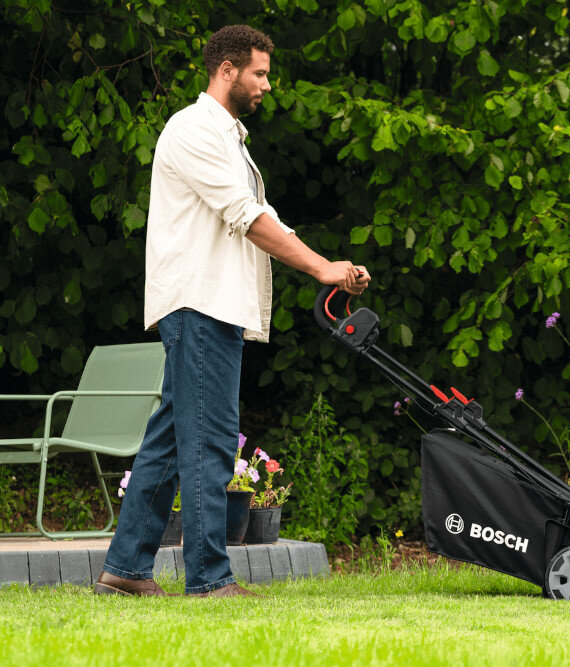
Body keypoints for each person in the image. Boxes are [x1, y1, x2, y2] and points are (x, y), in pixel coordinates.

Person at [95, 25, 369, 598]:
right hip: (200, 304)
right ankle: (209, 578)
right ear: (227, 70)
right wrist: (321, 268)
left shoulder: (228, 138)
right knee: (211, 442)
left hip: (210, 306)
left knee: (171, 441)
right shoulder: (194, 130)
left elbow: (265, 216)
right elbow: (247, 216)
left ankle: (125, 570)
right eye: (259, 73)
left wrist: (330, 266)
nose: (267, 84)